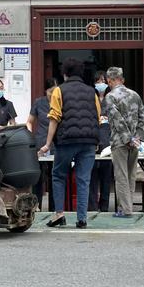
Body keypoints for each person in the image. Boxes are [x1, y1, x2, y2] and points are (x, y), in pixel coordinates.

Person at [38, 58, 100, 229]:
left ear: (65, 74)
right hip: (88, 141)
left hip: (67, 141)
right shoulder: (91, 92)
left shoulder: (59, 91)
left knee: (58, 175)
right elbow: (97, 116)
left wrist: (47, 144)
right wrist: (96, 140)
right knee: (83, 179)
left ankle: (59, 214)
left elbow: (54, 118)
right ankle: (82, 219)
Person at [104, 66, 144, 218]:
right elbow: (143, 118)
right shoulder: (135, 95)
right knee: (131, 175)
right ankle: (126, 207)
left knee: (121, 176)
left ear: (109, 80)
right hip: (135, 142)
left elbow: (117, 120)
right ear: (122, 79)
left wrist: (127, 138)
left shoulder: (110, 97)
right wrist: (137, 138)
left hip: (119, 142)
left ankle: (126, 210)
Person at [27, 78, 58, 211]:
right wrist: (30, 137)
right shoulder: (39, 102)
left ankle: (54, 208)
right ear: (46, 91)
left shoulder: (60, 101)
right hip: (40, 142)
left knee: (54, 176)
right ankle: (36, 205)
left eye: (56, 90)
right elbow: (29, 121)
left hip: (56, 143)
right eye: (51, 91)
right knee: (38, 176)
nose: (53, 94)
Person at [88, 71, 112, 212]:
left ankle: (104, 206)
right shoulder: (91, 98)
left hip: (108, 141)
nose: (100, 83)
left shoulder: (111, 98)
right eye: (98, 81)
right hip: (94, 140)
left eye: (102, 80)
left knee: (106, 176)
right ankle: (92, 205)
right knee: (92, 175)